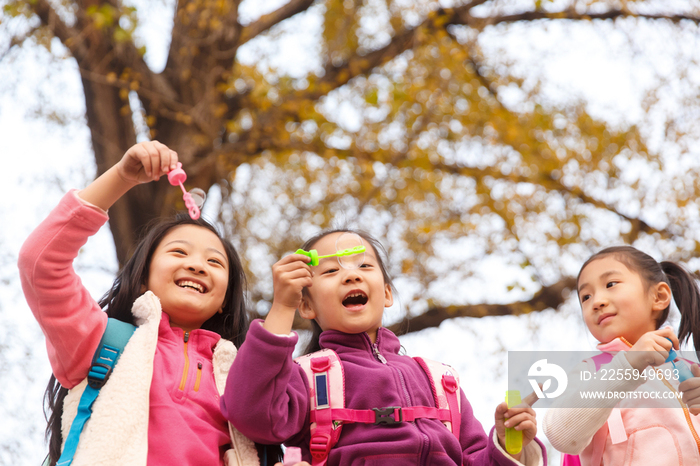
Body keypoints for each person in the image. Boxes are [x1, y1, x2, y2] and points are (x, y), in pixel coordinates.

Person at [18, 141, 280, 466]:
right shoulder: (102, 343)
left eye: (214, 262)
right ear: (143, 279)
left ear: (225, 300)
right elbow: (40, 263)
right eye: (179, 252)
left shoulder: (244, 381)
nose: (197, 265)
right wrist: (122, 177)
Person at [221, 229, 546, 465]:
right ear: (306, 307)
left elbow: (477, 460)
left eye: (364, 266)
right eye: (332, 271)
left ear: (387, 293)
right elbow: (252, 414)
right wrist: (281, 308)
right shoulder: (306, 376)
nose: (351, 276)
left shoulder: (441, 381)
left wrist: (507, 443)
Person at [543, 245, 700, 465]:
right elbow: (560, 434)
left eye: (611, 284)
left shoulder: (694, 371)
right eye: (586, 297)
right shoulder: (591, 372)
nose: (597, 302)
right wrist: (627, 365)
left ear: (659, 296)